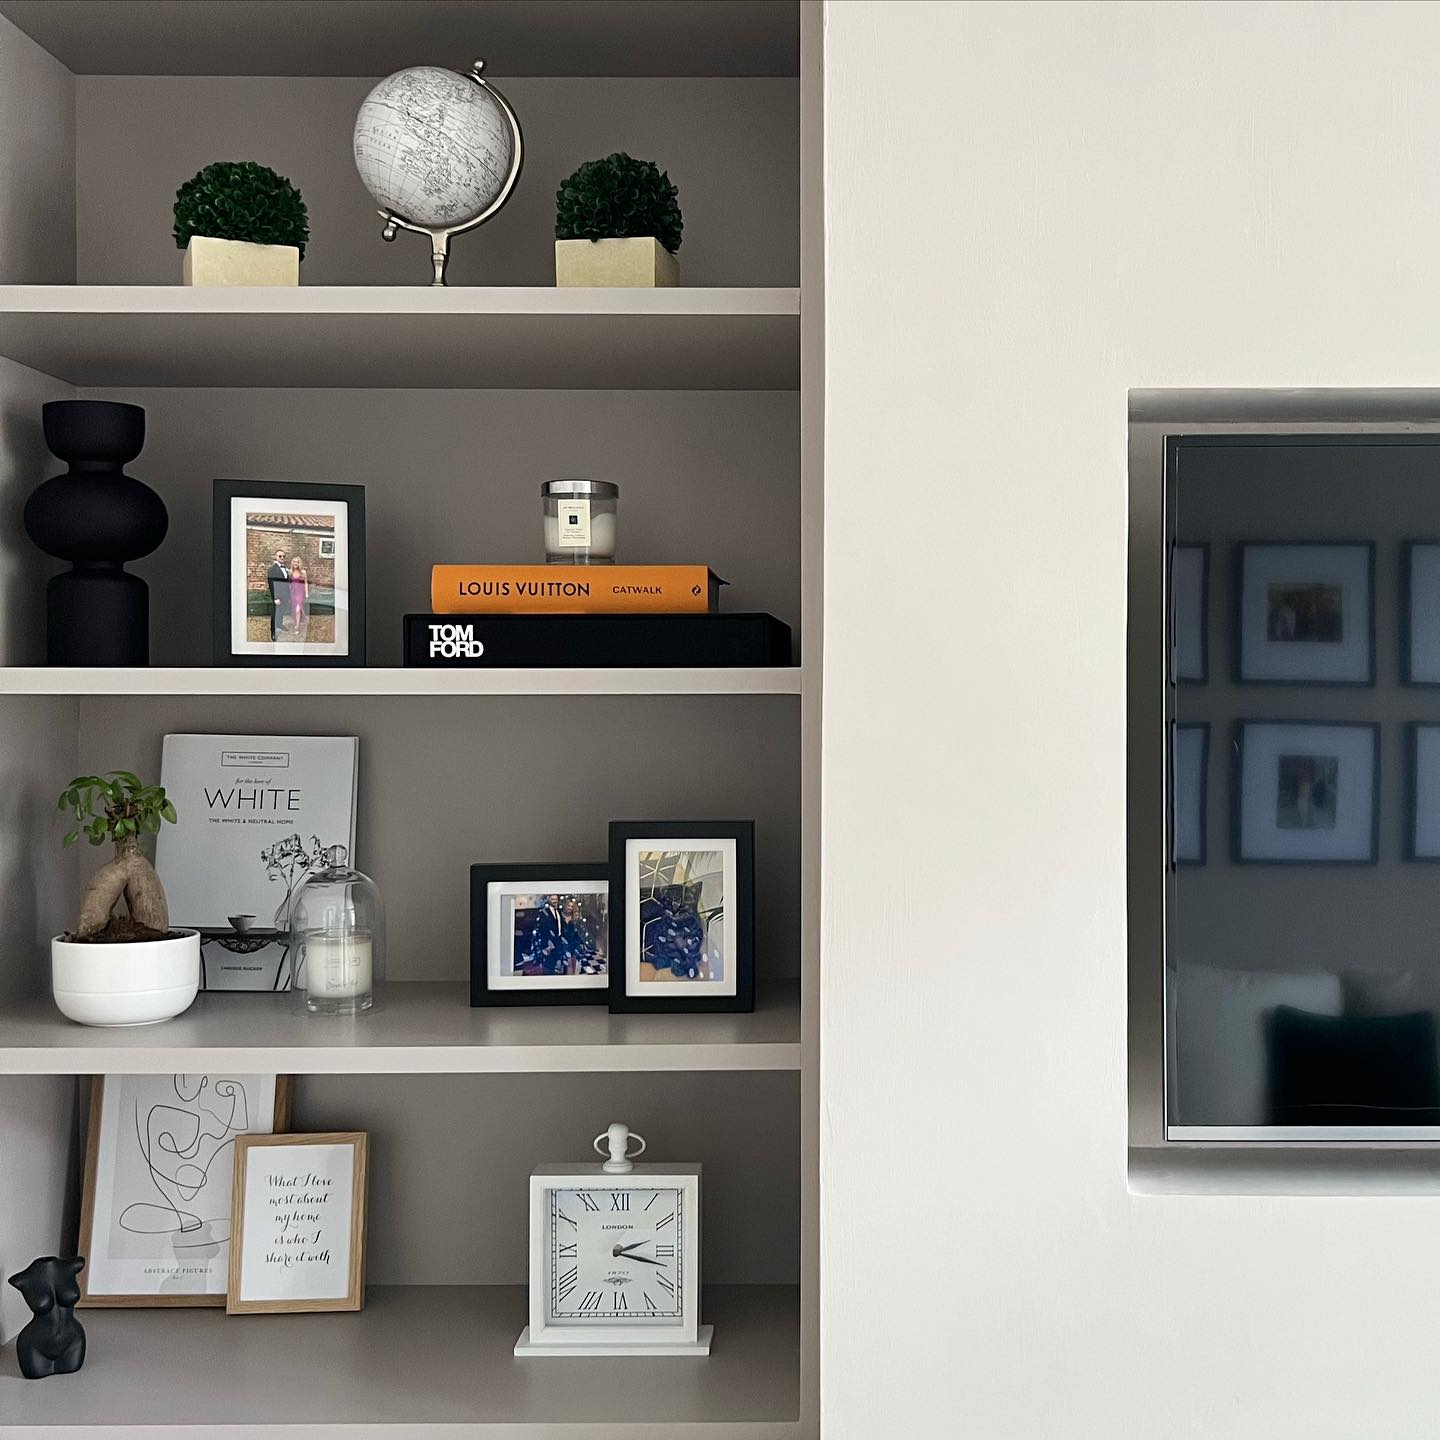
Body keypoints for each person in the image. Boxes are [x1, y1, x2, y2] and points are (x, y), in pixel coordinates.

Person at [266, 549, 289, 639]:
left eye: (284, 556)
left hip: (285, 595)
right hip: (278, 596)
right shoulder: (272, 569)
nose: (282, 557)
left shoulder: (286, 569)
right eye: (280, 556)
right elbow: (272, 585)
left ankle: (279, 624)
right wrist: (275, 598)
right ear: (276, 557)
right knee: (275, 613)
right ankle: (273, 632)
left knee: (282, 611)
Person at [289, 556, 310, 639]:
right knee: (295, 609)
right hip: (293, 592)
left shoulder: (303, 572)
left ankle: (297, 626)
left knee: (298, 609)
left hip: (300, 593)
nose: (295, 563)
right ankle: (297, 622)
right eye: (294, 561)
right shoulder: (290, 572)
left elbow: (306, 583)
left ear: (299, 563)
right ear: (292, 563)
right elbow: (289, 583)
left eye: (297, 562)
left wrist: (307, 593)